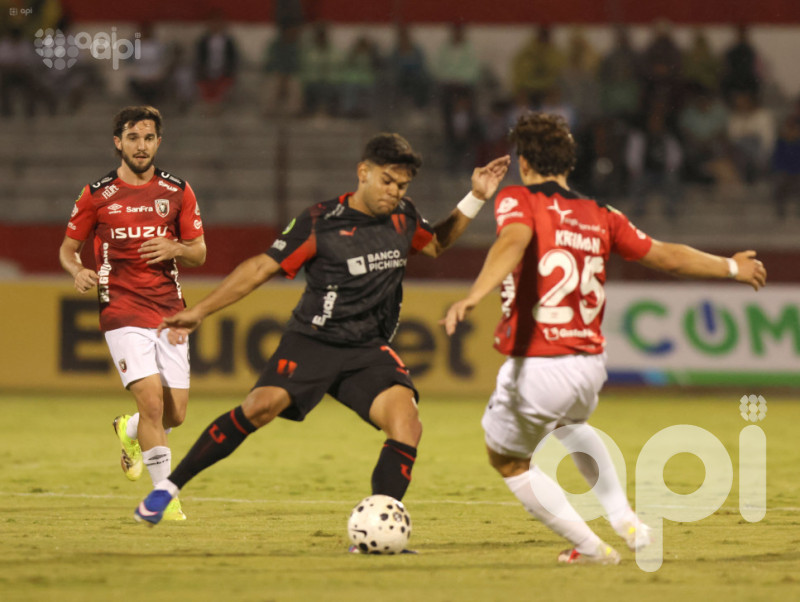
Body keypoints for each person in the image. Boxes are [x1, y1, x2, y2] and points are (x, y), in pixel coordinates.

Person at [133, 134, 511, 532]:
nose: (394, 192)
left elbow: (434, 244)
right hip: (313, 340)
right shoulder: (321, 221)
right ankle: (168, 488)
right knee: (260, 407)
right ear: (363, 173)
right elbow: (261, 267)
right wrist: (200, 311)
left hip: (367, 348)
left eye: (402, 186)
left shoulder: (404, 216)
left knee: (407, 423)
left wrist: (476, 196)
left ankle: (379, 528)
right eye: (387, 181)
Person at [442, 112, 767, 565]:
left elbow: (513, 240)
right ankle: (626, 519)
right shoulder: (602, 214)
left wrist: (475, 295)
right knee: (571, 428)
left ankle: (591, 547)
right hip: (589, 365)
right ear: (569, 164)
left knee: (508, 461)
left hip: (539, 361)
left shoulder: (518, 199)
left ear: (524, 163)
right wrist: (731, 267)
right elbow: (667, 257)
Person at [58, 106, 207, 521]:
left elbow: (199, 252)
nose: (141, 146)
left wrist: (176, 247)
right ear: (118, 142)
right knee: (153, 404)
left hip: (169, 311)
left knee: (176, 413)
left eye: (148, 138)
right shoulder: (96, 195)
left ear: (158, 142)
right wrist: (78, 271)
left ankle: (128, 429)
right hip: (120, 308)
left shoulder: (178, 191)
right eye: (133, 137)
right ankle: (165, 498)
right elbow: (68, 250)